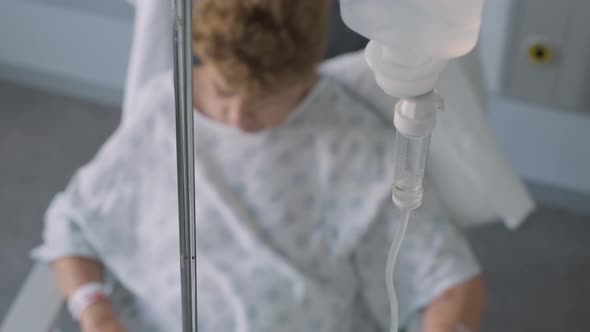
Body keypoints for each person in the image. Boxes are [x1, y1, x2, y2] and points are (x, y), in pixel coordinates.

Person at [33, 1, 485, 331]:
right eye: (224, 93)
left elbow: (449, 283)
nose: (239, 118)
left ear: (304, 75)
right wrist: (96, 312)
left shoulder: (350, 144)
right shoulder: (164, 112)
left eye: (266, 100)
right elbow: (71, 225)